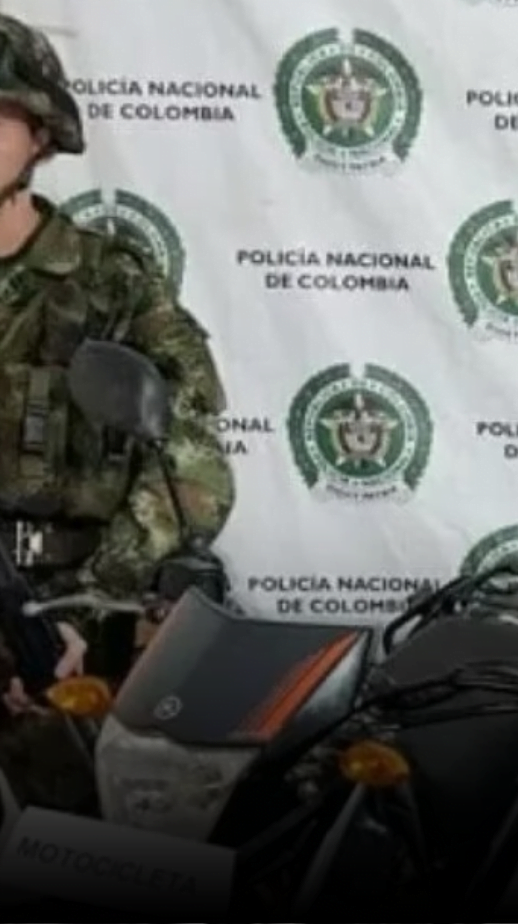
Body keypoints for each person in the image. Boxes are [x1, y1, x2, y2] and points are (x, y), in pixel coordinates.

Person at [0, 13, 234, 812]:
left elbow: (193, 469)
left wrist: (89, 602)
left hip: (69, 637)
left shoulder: (111, 284)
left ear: (42, 132)